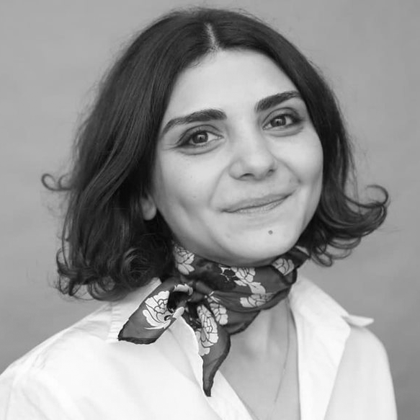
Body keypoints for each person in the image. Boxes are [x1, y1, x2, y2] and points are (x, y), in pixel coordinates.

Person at [0, 7, 397, 420]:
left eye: (281, 119)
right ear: (141, 189)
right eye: (200, 137)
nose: (258, 161)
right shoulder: (58, 395)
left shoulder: (360, 355)